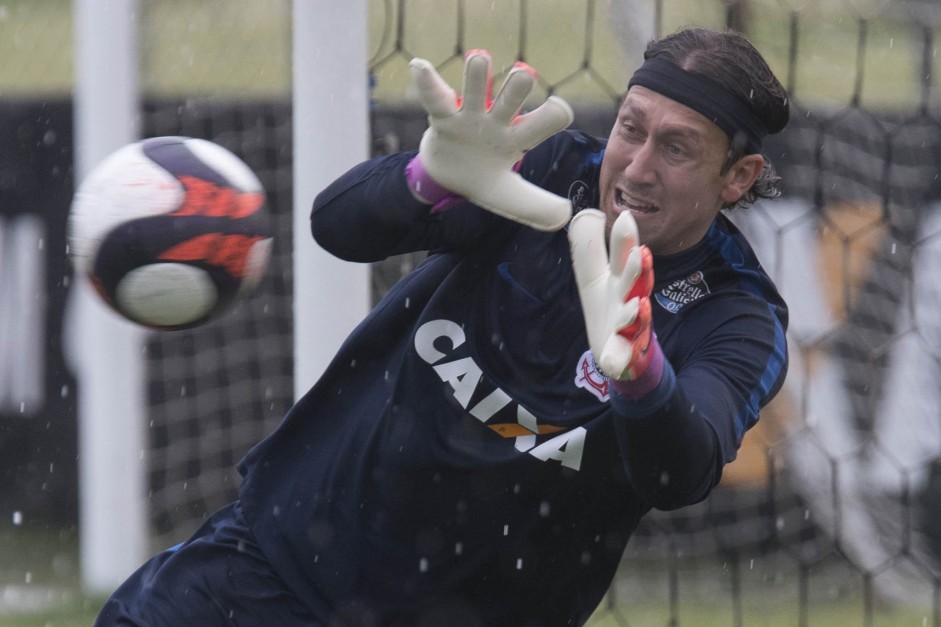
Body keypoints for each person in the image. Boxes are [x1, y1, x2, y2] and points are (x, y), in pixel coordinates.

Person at [95, 26, 790, 626]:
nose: (635, 167)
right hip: (277, 558)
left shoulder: (737, 315)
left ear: (738, 176)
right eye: (630, 127)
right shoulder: (550, 173)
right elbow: (336, 226)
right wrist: (428, 177)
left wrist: (642, 373)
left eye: (676, 148)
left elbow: (680, 470)